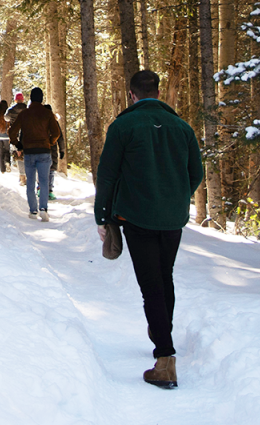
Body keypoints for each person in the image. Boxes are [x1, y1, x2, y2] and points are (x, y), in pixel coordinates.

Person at [94, 70, 203, 390]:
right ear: (158, 92)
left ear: (132, 95)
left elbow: (108, 174)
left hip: (136, 217)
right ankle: (160, 331)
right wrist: (177, 197)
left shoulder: (123, 126)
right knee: (163, 276)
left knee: (151, 285)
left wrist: (103, 216)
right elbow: (195, 173)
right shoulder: (182, 128)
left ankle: (165, 358)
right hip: (172, 218)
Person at [8, 87, 62, 222]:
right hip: (44, 151)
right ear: (41, 98)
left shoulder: (24, 114)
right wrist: (49, 142)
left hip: (29, 152)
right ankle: (43, 209)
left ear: (31, 98)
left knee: (30, 182)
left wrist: (18, 144)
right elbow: (56, 133)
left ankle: (33, 211)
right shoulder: (47, 114)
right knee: (44, 181)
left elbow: (12, 131)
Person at [5, 92, 28, 185]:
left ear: (15, 100)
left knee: (19, 156)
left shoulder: (11, 110)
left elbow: (6, 118)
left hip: (15, 134)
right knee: (27, 155)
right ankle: (28, 175)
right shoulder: (27, 109)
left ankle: (22, 177)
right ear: (22, 100)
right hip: (26, 134)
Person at [43, 104, 66, 201]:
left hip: (42, 148)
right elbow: (60, 137)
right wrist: (61, 150)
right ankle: (49, 190)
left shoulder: (39, 122)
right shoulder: (54, 123)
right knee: (51, 170)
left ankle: (41, 188)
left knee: (42, 168)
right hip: (51, 149)